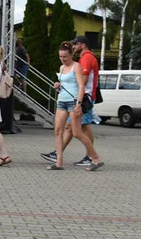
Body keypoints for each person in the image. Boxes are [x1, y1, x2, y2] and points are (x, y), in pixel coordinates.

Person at [43, 36, 101, 167]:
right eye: (60, 57)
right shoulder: (62, 67)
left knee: (77, 132)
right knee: (58, 131)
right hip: (62, 101)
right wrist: (58, 84)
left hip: (73, 101)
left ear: (71, 55)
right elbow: (65, 82)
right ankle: (59, 163)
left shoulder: (77, 66)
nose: (63, 59)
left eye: (65, 57)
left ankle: (95, 157)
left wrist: (78, 104)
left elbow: (82, 85)